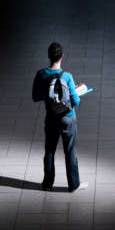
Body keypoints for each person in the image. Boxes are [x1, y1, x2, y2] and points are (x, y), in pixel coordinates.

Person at [32, 42, 88, 192]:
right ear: (62, 56)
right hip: (67, 118)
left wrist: (48, 95)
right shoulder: (67, 76)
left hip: (51, 117)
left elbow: (35, 97)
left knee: (49, 150)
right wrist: (73, 93)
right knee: (69, 151)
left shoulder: (41, 74)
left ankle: (47, 184)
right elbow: (75, 101)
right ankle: (73, 185)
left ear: (49, 56)